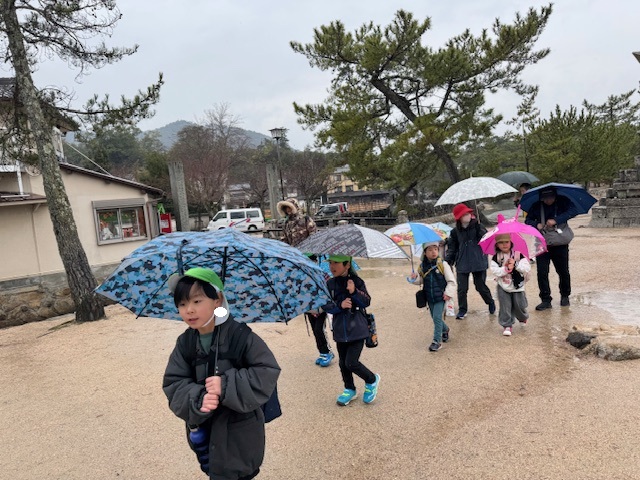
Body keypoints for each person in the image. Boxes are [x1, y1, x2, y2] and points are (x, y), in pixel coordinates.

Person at [162, 267, 280, 480]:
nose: (189, 310)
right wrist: (198, 398)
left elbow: (266, 370)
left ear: (217, 300)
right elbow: (174, 382)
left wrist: (225, 385)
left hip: (241, 434)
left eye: (197, 301)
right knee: (213, 469)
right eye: (182, 304)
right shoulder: (185, 343)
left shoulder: (240, 336)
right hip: (204, 432)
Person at [321, 255, 380, 406]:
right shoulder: (330, 284)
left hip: (357, 330)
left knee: (351, 362)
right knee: (343, 363)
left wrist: (354, 292)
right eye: (331, 263)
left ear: (347, 265)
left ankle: (371, 379)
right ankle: (349, 389)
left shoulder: (357, 281)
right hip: (340, 330)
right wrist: (339, 306)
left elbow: (366, 301)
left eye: (336, 263)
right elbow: (326, 305)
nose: (332, 266)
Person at [524, 186, 579, 310]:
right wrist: (536, 224)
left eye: (550, 198)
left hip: (560, 243)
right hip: (541, 242)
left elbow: (573, 211)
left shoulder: (563, 202)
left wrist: (556, 220)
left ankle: (565, 295)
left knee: (563, 271)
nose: (548, 200)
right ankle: (545, 299)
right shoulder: (536, 206)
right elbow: (527, 220)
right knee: (542, 272)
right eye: (545, 198)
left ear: (555, 196)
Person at [445, 203, 496, 319]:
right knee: (462, 288)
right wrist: (448, 262)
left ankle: (490, 302)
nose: (468, 216)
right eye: (465, 214)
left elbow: (486, 240)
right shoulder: (454, 232)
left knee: (480, 286)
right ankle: (462, 310)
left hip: (478, 261)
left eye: (468, 213)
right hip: (462, 262)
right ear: (459, 217)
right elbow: (452, 249)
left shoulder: (478, 226)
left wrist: (482, 231)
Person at [408, 242, 457, 352]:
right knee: (435, 318)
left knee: (437, 318)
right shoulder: (422, 266)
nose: (433, 252)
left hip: (441, 297)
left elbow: (451, 281)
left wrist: (448, 293)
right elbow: (421, 280)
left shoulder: (443, 264)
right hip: (429, 296)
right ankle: (445, 329)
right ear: (425, 253)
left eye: (435, 249)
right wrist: (414, 278)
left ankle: (436, 341)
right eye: (430, 250)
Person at [489, 233, 531, 336]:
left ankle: (522, 317)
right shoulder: (496, 258)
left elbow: (526, 268)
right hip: (503, 285)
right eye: (501, 243)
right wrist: (505, 268)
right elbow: (494, 270)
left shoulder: (518, 255)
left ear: (511, 242)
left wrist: (516, 264)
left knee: (519, 305)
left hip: (517, 285)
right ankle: (507, 325)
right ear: (497, 245)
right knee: (505, 306)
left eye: (506, 242)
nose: (504, 245)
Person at [304, 253, 334, 367]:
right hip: (309, 308)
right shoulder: (301, 276)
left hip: (321, 308)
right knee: (315, 331)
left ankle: (328, 352)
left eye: (313, 260)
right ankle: (322, 353)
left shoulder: (322, 274)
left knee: (319, 329)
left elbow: (330, 289)